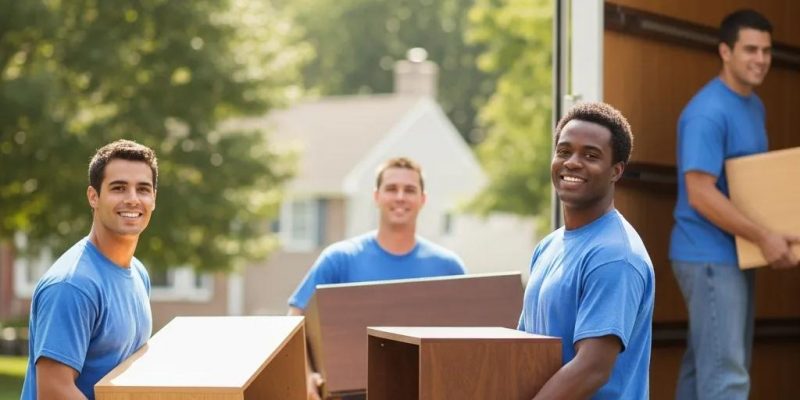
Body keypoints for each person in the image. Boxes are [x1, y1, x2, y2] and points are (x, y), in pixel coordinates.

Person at [669, 9, 799, 399]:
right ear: (725, 51)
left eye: (767, 51)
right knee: (727, 376)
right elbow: (701, 193)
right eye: (750, 50)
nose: (760, 59)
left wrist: (773, 237)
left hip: (735, 253)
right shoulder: (708, 112)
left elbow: (752, 186)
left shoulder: (754, 106)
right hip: (708, 255)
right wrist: (765, 236)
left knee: (704, 369)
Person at [287, 156, 466, 400]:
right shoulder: (339, 258)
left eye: (409, 190)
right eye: (391, 189)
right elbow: (295, 318)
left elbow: (468, 339)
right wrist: (306, 375)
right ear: (376, 196)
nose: (400, 197)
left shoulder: (448, 266)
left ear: (422, 199)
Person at [518, 102, 655, 399]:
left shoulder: (616, 256)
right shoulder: (548, 247)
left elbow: (592, 369)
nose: (572, 162)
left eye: (590, 155)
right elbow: (524, 351)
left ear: (615, 171)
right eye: (564, 151)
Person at [21, 139, 158, 400]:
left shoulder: (138, 273)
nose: (132, 199)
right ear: (93, 196)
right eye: (118, 188)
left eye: (143, 189)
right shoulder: (72, 285)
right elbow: (53, 392)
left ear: (154, 198)